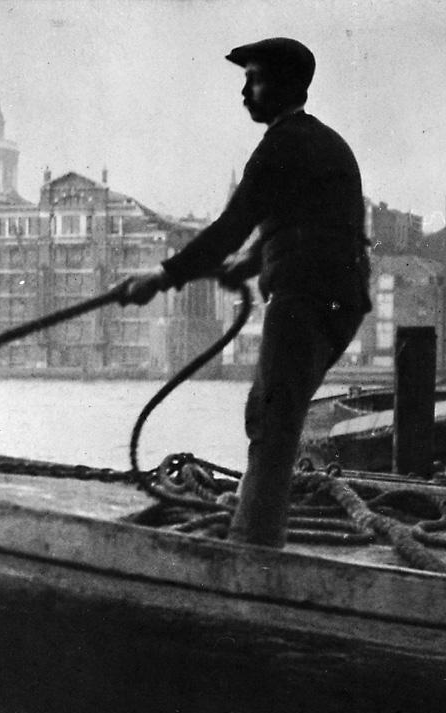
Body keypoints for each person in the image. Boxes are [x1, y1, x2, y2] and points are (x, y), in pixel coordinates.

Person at [118, 37, 371, 548]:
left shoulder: (281, 144)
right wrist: (250, 263)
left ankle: (253, 548)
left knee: (273, 422)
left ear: (280, 85)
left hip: (304, 299)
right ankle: (257, 534)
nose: (244, 92)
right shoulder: (322, 142)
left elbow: (231, 225)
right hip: (337, 301)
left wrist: (162, 277)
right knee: (273, 414)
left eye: (252, 79)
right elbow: (311, 222)